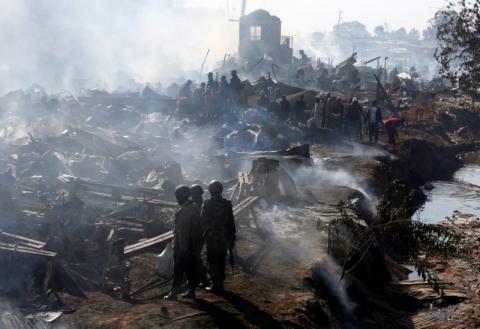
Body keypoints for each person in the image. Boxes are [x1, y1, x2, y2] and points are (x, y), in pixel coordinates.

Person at [201, 181, 236, 293]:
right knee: (221, 259)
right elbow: (231, 222)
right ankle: (220, 283)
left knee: (212, 260)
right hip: (223, 237)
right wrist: (232, 238)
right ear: (221, 190)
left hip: (211, 237)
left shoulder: (207, 203)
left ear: (210, 190)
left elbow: (203, 221)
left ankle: (215, 284)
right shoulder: (227, 203)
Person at [165, 186, 199, 300]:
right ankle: (189, 291)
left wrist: (190, 247)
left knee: (180, 269)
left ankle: (175, 293)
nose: (177, 199)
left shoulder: (189, 210)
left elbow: (194, 230)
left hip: (185, 245)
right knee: (186, 269)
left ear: (182, 196)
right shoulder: (189, 208)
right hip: (183, 244)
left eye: (178, 197)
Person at [190, 184, 208, 287]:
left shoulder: (200, 205)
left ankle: (202, 278)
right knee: (195, 256)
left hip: (197, 235)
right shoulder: (199, 203)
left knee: (195, 256)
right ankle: (200, 277)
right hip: (197, 234)